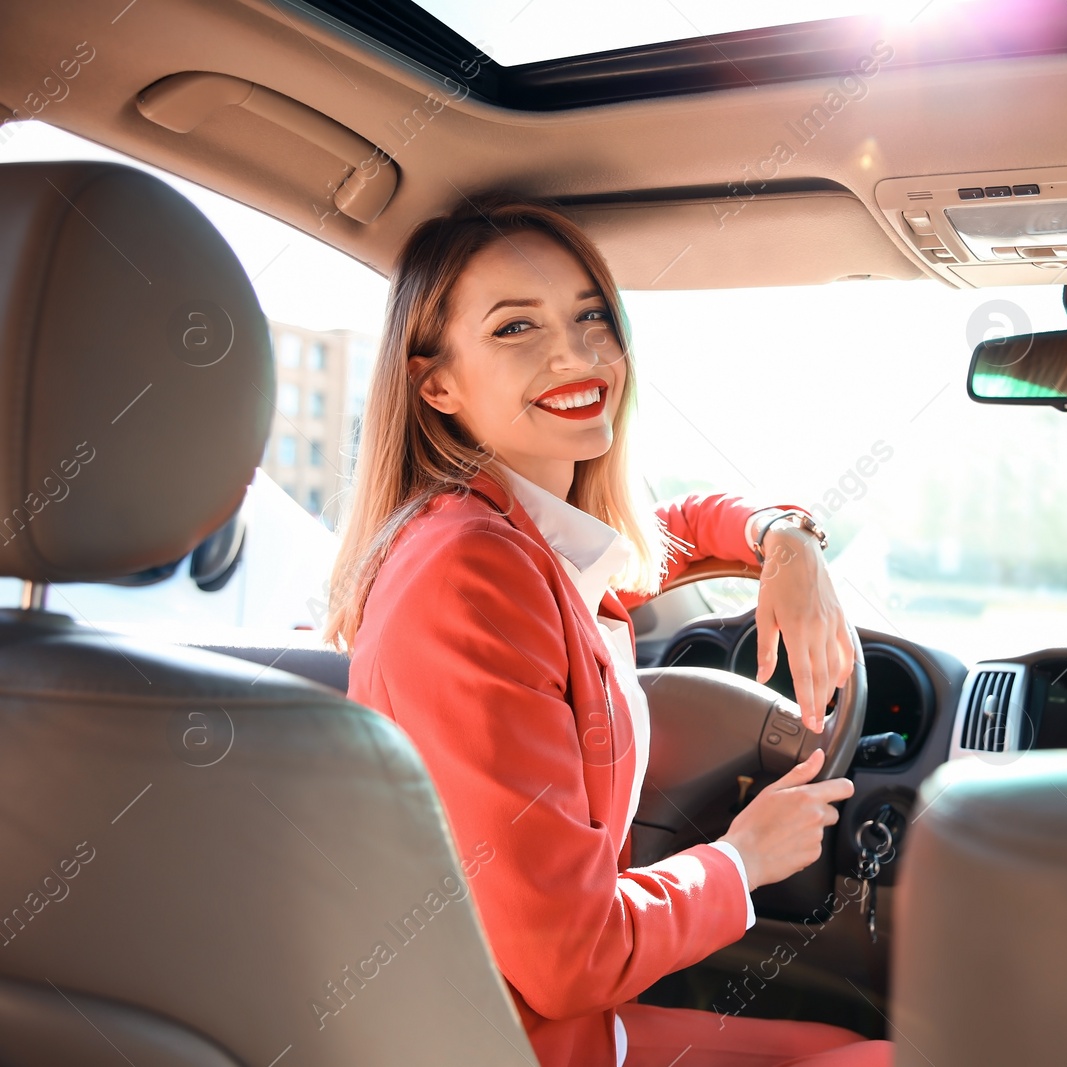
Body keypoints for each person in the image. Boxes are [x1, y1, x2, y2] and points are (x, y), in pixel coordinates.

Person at [325, 193, 893, 1067]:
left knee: (845, 1042)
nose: (576, 352)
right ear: (435, 382)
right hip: (504, 1040)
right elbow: (568, 958)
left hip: (518, 1025)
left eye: (591, 315)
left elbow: (670, 529)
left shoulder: (518, 537)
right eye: (517, 328)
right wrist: (742, 858)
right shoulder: (473, 569)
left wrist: (786, 540)